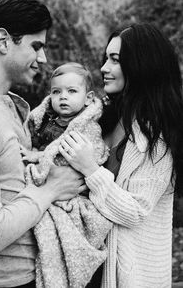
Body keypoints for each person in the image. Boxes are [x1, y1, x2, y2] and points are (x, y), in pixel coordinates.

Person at [0, 0, 86, 288]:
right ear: (4, 41)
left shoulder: (10, 104)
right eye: (36, 46)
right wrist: (51, 190)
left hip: (42, 272)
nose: (43, 58)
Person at [59, 23, 183, 288]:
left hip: (129, 277)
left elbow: (136, 211)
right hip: (89, 267)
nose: (104, 68)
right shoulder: (105, 119)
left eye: (115, 60)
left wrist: (91, 169)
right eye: (106, 58)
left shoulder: (157, 138)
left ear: (142, 65)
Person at [20, 62, 111, 287]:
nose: (63, 97)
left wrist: (39, 157)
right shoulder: (45, 121)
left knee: (66, 243)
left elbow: (92, 155)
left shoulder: (86, 126)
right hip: (49, 192)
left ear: (88, 98)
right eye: (56, 91)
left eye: (72, 91)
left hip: (73, 195)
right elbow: (39, 142)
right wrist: (38, 152)